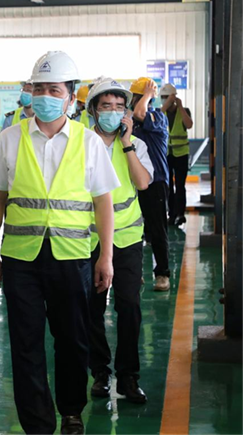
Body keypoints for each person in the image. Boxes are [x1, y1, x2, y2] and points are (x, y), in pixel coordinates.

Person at [0, 51, 117, 435]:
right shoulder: (9, 139)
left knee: (73, 339)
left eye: (53, 90)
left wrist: (105, 257)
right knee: (25, 343)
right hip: (21, 259)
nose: (44, 95)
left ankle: (71, 411)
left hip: (72, 257)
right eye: (39, 88)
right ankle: (37, 423)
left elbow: (103, 201)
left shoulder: (89, 142)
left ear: (70, 97)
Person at [84, 78, 154, 405]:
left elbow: (143, 183)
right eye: (105, 106)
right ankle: (100, 372)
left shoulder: (135, 145)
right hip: (88, 239)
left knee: (129, 306)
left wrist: (126, 145)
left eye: (118, 107)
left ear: (126, 112)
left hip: (126, 238)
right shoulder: (81, 145)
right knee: (91, 308)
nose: (112, 112)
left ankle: (128, 376)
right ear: (93, 110)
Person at [130, 77, 171, 291]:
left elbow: (140, 113)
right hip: (135, 182)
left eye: (135, 97)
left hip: (156, 183)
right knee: (134, 229)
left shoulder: (157, 117)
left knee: (157, 230)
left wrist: (147, 94)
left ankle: (162, 274)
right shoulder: (131, 122)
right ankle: (135, 272)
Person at [161, 83, 193, 226]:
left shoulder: (184, 111)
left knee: (180, 185)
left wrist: (180, 107)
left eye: (166, 97)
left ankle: (180, 214)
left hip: (181, 154)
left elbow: (189, 124)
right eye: (163, 97)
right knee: (168, 186)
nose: (164, 99)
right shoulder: (161, 112)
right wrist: (165, 105)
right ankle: (171, 214)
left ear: (173, 97)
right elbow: (155, 120)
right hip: (167, 154)